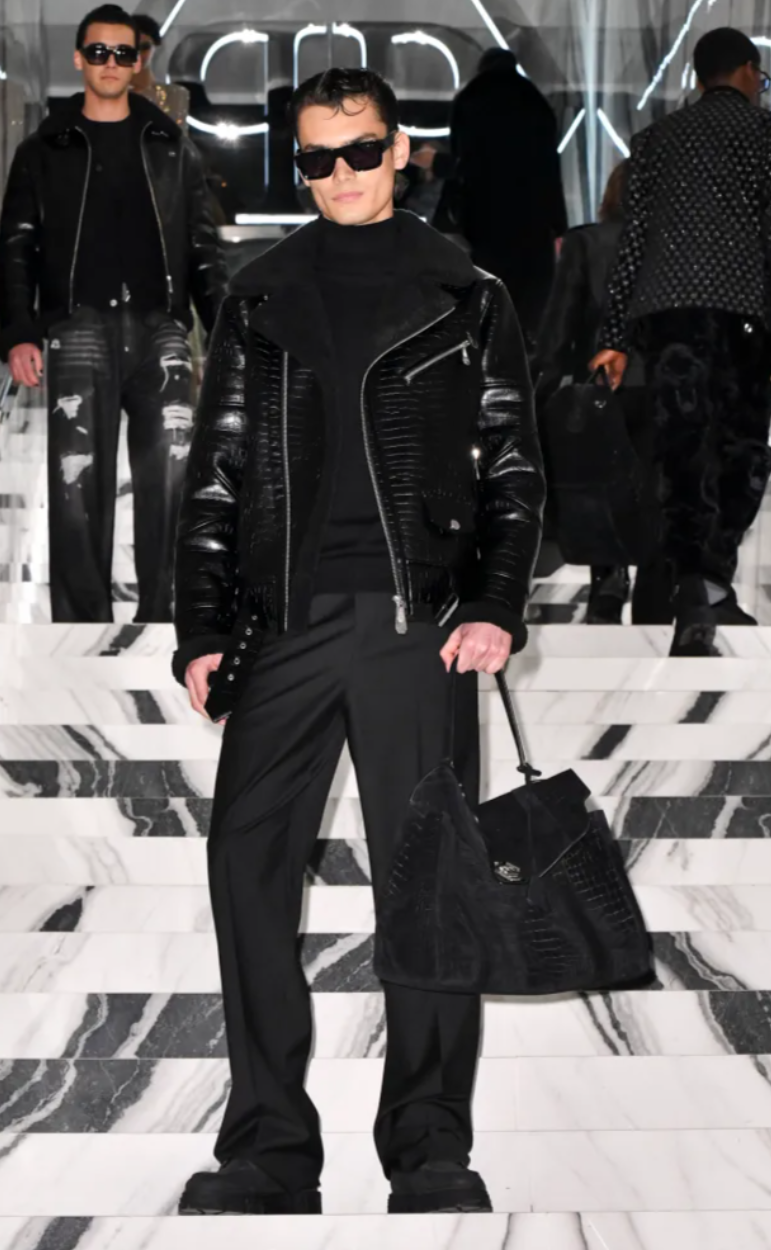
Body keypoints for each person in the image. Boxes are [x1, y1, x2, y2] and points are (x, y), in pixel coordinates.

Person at [172, 66, 545, 1215]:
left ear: (400, 150)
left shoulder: (464, 290)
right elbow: (217, 467)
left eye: (360, 150)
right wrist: (200, 624)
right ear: (298, 166)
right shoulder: (259, 292)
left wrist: (493, 601)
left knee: (427, 886)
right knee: (245, 866)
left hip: (415, 627)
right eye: (317, 157)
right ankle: (269, 1148)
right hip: (281, 627)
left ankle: (428, 1146)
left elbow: (514, 462)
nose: (340, 173)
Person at [0, 2, 227, 623]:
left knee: (173, 481)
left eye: (123, 53)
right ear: (79, 59)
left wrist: (226, 331)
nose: (111, 63)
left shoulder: (170, 146)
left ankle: (167, 622)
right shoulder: (44, 149)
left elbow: (202, 247)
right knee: (76, 490)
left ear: (137, 61)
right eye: (98, 52)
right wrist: (18, 332)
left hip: (161, 331)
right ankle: (80, 633)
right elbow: (17, 245)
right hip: (78, 329)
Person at [591, 26, 771, 655]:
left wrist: (614, 336)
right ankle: (709, 581)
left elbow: (633, 243)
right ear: (746, 70)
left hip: (667, 318)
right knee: (739, 452)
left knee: (682, 452)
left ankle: (696, 587)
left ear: (698, 75)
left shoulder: (654, 140)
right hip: (740, 314)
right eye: (759, 75)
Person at [534, 161, 673, 625]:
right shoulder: (676, 245)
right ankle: (655, 600)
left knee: (602, 487)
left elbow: (561, 322)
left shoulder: (585, 243)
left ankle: (608, 585)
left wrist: (541, 385)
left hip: (601, 387)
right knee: (658, 492)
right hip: (664, 386)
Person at [449, 47, 567, 343]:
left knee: (489, 283)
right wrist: (558, 223)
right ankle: (524, 343)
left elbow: (461, 159)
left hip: (486, 209)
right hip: (531, 212)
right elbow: (550, 165)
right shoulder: (534, 101)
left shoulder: (471, 98)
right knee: (527, 293)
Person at [132, 13, 190, 129]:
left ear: (157, 47)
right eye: (131, 48)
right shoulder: (109, 93)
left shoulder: (175, 95)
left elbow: (177, 137)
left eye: (144, 47)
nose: (138, 54)